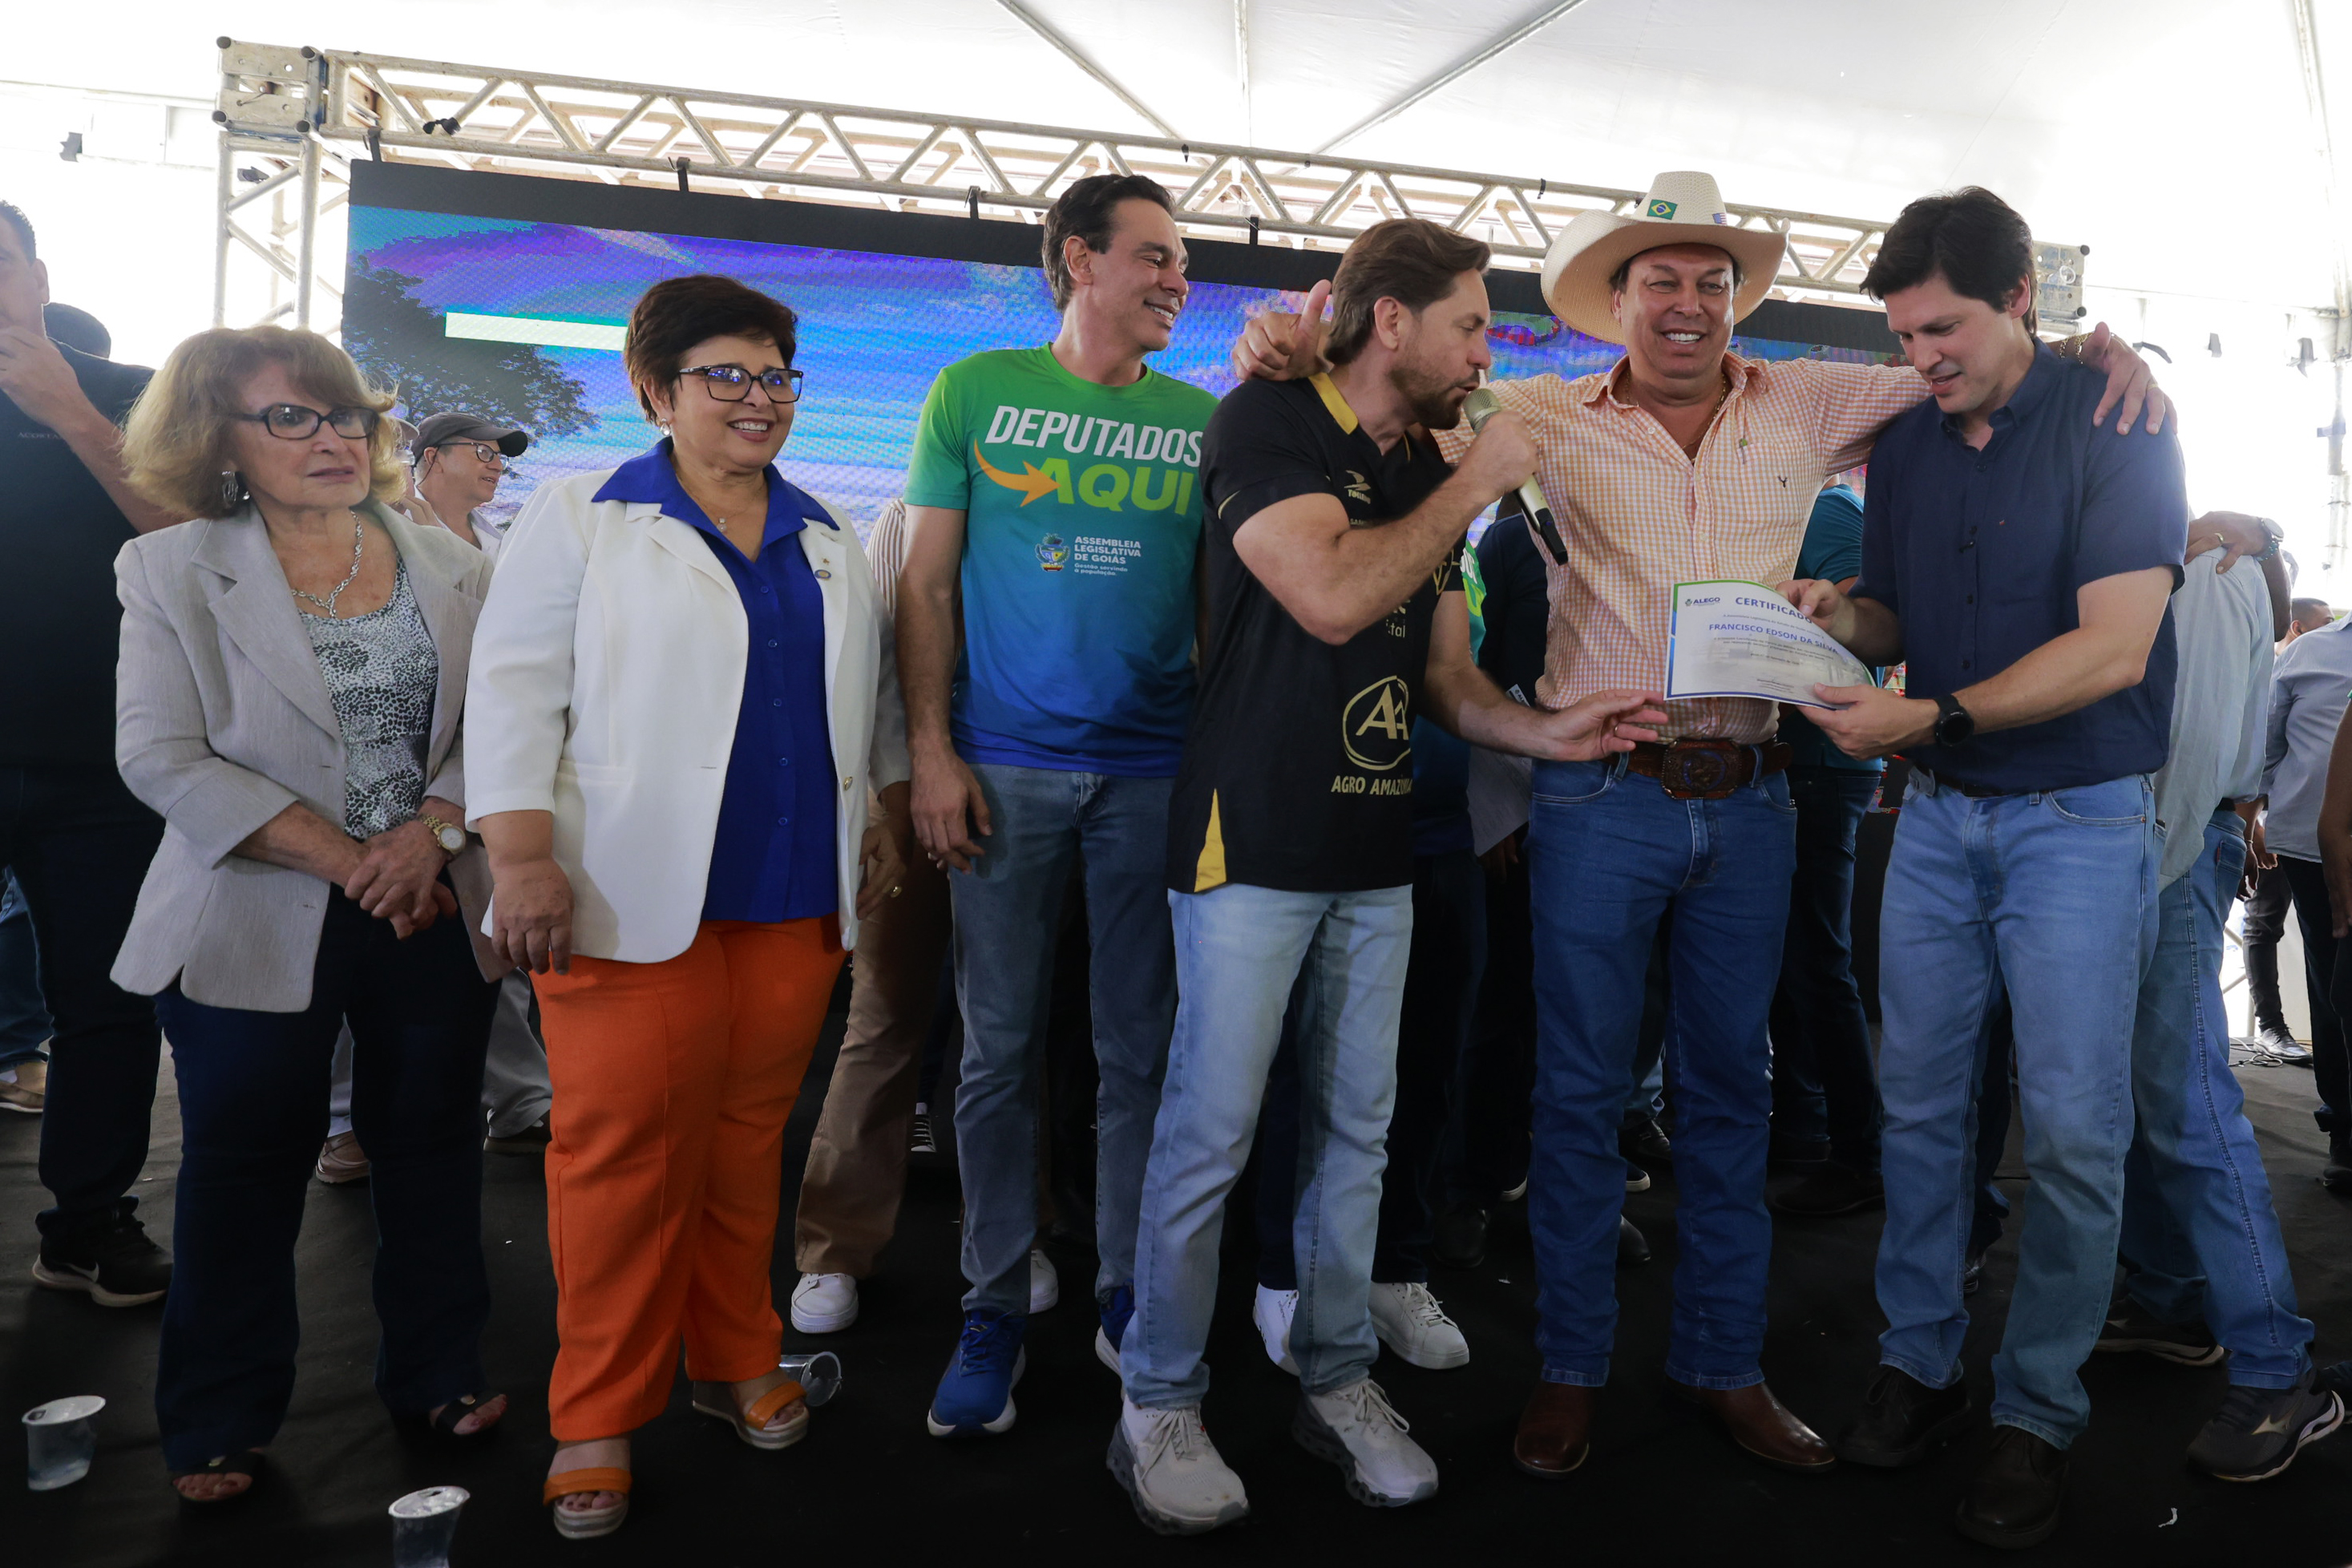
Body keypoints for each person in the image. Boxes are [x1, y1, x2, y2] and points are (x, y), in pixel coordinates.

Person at [1228, 171, 2163, 1485]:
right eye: (1658, 281)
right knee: (1575, 1095)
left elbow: (1992, 362)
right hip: (1596, 797)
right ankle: (1569, 1367)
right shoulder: (1532, 412)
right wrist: (1282, 352)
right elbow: (1385, 401)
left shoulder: (1817, 399)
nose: (1686, 303)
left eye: (1710, 282)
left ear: (1738, 299)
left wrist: (2103, 351)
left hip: (1756, 795)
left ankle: (1723, 1364)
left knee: (1733, 1097)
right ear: (1612, 302)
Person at [1111, 217, 1667, 1534]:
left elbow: (1443, 677)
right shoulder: (1266, 421)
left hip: (1377, 850)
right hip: (1249, 841)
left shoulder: (1425, 465)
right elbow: (1328, 593)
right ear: (1390, 321)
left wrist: (1544, 731)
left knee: (1358, 1132)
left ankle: (1333, 1377)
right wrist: (1474, 483)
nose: (1483, 354)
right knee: (1211, 1132)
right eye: (1469, 325)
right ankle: (1157, 1401)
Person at [464, 275, 908, 1539]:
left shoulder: (829, 533)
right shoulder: (583, 517)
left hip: (791, 898)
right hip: (620, 893)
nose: (757, 398)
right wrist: (519, 857)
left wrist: (877, 810)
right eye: (726, 375)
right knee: (619, 1157)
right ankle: (597, 1413)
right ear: (656, 390)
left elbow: (865, 696)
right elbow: (511, 692)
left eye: (775, 376)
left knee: (744, 1141)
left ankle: (733, 1355)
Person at [1788, 186, 2191, 1550]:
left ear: (2021, 298)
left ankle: (2036, 1411)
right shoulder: (1905, 443)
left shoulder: (2119, 422)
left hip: (2075, 821)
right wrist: (1839, 615)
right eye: (1902, 335)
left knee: (2072, 1132)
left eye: (1942, 329)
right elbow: (1894, 613)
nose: (1921, 358)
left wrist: (1929, 716)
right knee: (1916, 1110)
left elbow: (2114, 648)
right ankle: (1917, 1361)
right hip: (1937, 817)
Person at [111, 324, 511, 1501]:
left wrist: (433, 833)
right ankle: (217, 1417)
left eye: (345, 415)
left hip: (432, 899)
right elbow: (159, 756)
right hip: (252, 902)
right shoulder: (168, 568)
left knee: (432, 1147)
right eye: (290, 416)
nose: (331, 437)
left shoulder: (456, 566)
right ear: (216, 439)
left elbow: (503, 726)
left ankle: (438, 1373)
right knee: (243, 1161)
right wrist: (351, 860)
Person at [896, 173, 1214, 1435]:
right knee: (996, 1052)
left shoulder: (1202, 419)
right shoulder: (974, 390)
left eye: (1180, 261)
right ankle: (990, 1301)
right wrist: (931, 752)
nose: (1176, 280)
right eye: (1155, 256)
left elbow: (1218, 612)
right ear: (1079, 260)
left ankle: (1128, 1293)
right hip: (1000, 771)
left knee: (1141, 1052)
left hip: (1154, 777)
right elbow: (924, 586)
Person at [2095, 517, 2341, 1481]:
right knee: (2153, 1098)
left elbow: (2194, 749)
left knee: (2190, 1101)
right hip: (2162, 844)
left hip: (2166, 849)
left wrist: (2142, 881)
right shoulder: (2178, 553)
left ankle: (2278, 1369)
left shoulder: (2205, 562)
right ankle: (2168, 1298)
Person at [0, 199, 183, 1307]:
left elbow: (191, 547)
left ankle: (87, 1224)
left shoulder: (134, 396)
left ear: (37, 275)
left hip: (104, 760)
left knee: (109, 1004)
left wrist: (67, 412)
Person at [320, 411, 551, 1183]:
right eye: (480, 451)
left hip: (464, 795)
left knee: (488, 958)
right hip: (346, 818)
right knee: (355, 960)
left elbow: (510, 688)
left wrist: (444, 817)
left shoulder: (503, 546)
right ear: (429, 459)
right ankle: (346, 1122)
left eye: (501, 455)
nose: (494, 465)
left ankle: (518, 1102)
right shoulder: (372, 537)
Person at [790, 496, 954, 1331]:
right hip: (911, 784)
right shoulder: (907, 514)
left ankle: (1019, 1231)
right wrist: (892, 799)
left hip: (1030, 784)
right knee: (884, 1016)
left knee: (1016, 1028)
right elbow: (881, 666)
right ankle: (834, 1249)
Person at [1768, 482, 1888, 1217]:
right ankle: (1804, 1125)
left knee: (1816, 958)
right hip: (1792, 760)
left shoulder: (1825, 505)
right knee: (1794, 959)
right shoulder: (1777, 508)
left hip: (1821, 760)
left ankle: (1857, 1151)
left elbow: (1867, 615)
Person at [2261, 576, 2352, 1184]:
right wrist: (2259, 810)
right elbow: (2266, 743)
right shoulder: (2311, 650)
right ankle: (2344, 1127)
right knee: (2334, 986)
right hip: (2313, 849)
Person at [411, 410, 530, 560]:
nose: (498, 466)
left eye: (499, 457)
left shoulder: (499, 545)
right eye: (483, 452)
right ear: (434, 457)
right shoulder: (395, 526)